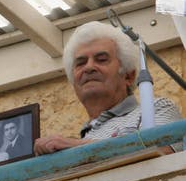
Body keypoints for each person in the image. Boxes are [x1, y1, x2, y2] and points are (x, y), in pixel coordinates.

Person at [34, 21, 182, 155]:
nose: (89, 67)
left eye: (101, 60)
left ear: (128, 76)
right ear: (73, 82)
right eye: (81, 63)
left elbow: (160, 152)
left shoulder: (157, 108)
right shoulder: (82, 138)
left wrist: (76, 146)